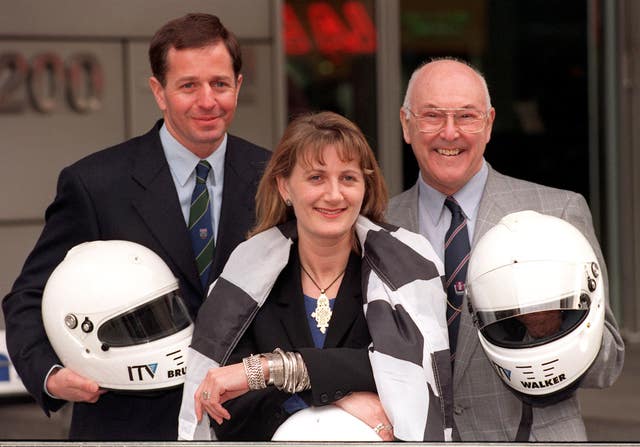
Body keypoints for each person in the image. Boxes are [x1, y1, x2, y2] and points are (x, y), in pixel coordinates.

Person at [1, 13, 270, 440]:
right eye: (188, 86)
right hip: (129, 426)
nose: (207, 100)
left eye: (219, 84)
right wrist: (51, 375)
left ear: (238, 85)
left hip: (253, 424)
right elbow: (29, 297)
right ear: (158, 92)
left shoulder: (277, 177)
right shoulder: (95, 184)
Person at [386, 57, 625, 442]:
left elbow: (607, 364)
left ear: (489, 124)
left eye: (466, 116)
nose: (450, 133)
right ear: (406, 124)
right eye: (432, 116)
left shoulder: (558, 212)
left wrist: (549, 326)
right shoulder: (376, 225)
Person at [177, 111, 453, 442]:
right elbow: (225, 406)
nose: (334, 195)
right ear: (284, 186)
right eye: (316, 178)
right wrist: (343, 397)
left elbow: (412, 371)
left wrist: (270, 370)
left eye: (348, 178)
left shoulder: (407, 266)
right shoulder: (246, 275)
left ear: (365, 187)